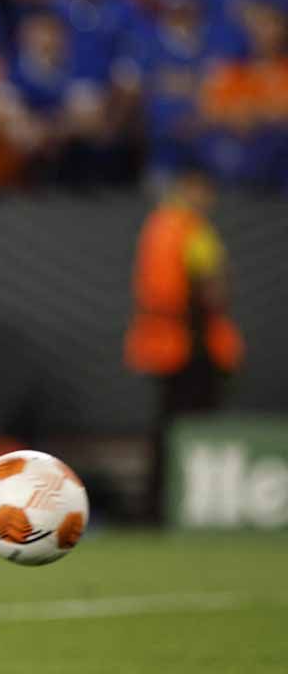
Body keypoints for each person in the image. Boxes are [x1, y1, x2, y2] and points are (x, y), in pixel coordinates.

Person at [125, 168, 243, 523]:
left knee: (166, 428)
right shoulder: (192, 229)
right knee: (191, 427)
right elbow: (213, 286)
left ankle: (157, 507)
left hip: (165, 343)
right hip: (192, 345)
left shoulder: (158, 226)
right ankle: (186, 505)